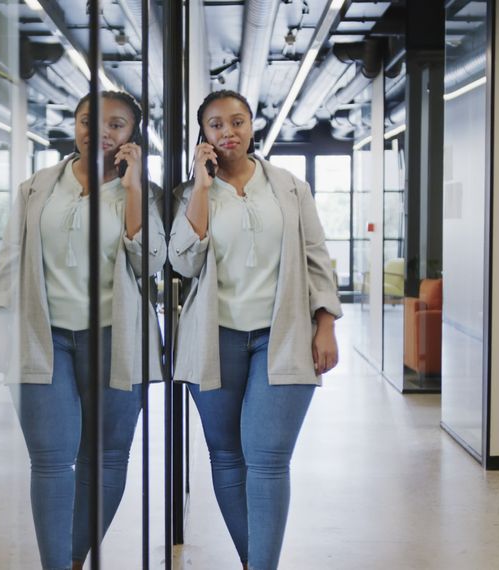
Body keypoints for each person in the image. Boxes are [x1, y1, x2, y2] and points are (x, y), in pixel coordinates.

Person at [0, 91, 165, 570]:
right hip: (44, 337)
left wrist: (131, 190)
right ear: (75, 124)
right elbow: (11, 258)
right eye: (90, 120)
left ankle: (73, 559)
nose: (100, 132)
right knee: (50, 460)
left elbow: (152, 262)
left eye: (117, 125)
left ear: (132, 136)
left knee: (105, 458)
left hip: (115, 338)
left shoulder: (141, 194)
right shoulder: (37, 186)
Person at [168, 90, 342, 570]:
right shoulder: (189, 194)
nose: (229, 132)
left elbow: (316, 258)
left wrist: (325, 323)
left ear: (251, 127)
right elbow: (182, 261)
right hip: (214, 338)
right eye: (217, 125)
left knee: (267, 460)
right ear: (203, 135)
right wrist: (201, 189)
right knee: (226, 457)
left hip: (280, 335)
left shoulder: (289, 187)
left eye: (237, 122)